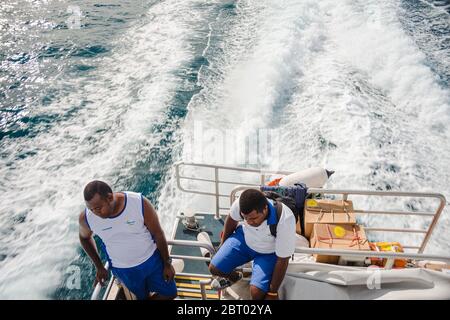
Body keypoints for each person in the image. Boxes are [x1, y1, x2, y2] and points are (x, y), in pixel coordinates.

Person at [78, 180, 177, 300]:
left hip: (152, 261)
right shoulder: (86, 218)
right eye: (91, 209)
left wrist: (167, 263)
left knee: (170, 293)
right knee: (142, 297)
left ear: (109, 197)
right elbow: (84, 238)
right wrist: (99, 266)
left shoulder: (138, 203)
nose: (95, 213)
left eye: (98, 208)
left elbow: (158, 234)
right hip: (124, 270)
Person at [209, 189, 296, 300]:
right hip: (245, 240)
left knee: (257, 293)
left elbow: (283, 259)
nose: (249, 222)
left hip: (268, 252)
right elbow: (231, 219)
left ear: (265, 209)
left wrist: (272, 292)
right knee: (215, 268)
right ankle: (235, 277)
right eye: (245, 218)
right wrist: (222, 245)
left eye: (254, 218)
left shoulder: (285, 219)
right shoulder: (241, 202)